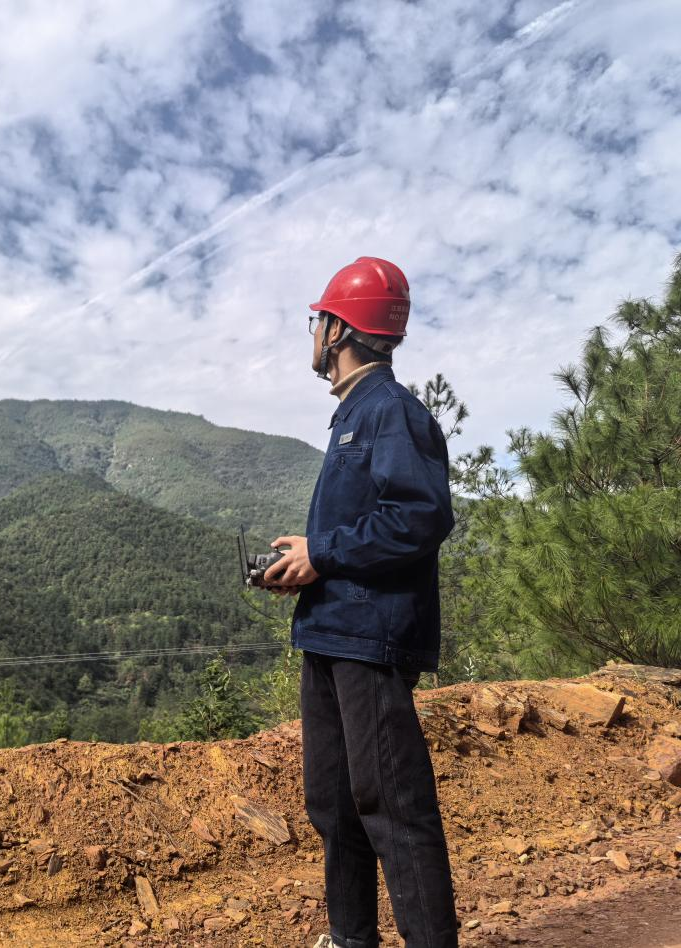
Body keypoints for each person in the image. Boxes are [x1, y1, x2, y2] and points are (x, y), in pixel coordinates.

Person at [261, 257, 459, 948]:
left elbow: (420, 516)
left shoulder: (390, 411)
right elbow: (365, 528)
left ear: (340, 329)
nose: (313, 332)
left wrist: (323, 552)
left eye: (318, 320)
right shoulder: (354, 413)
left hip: (370, 640)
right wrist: (307, 557)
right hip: (330, 632)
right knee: (334, 804)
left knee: (391, 805)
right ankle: (351, 939)